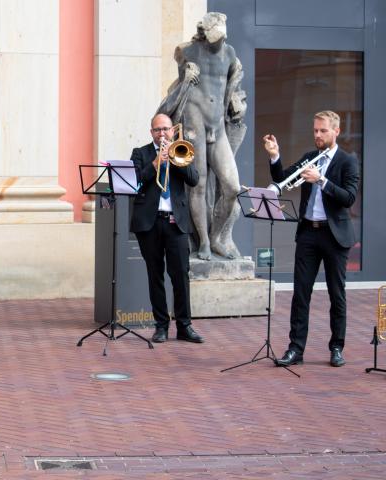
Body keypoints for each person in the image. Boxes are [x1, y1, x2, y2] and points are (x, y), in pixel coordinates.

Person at [263, 110, 360, 367]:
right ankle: (296, 349)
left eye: (323, 131)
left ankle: (337, 347)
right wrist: (274, 155)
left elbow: (349, 197)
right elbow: (281, 179)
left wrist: (322, 181)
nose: (318, 135)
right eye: (315, 130)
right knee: (300, 293)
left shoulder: (347, 161)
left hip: (334, 235)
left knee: (336, 294)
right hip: (308, 232)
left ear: (336, 131)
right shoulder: (309, 157)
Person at [158, 12, 247, 261]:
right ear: (205, 31)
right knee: (196, 185)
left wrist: (236, 103)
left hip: (217, 126)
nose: (219, 38)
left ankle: (217, 237)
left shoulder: (230, 54)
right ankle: (203, 242)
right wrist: (186, 74)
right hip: (194, 121)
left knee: (231, 186)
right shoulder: (186, 50)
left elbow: (234, 88)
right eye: (215, 32)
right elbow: (178, 86)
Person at [130, 113, 203, 344]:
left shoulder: (182, 149)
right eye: (157, 130)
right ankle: (161, 326)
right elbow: (135, 182)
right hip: (149, 223)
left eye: (166, 129)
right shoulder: (140, 153)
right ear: (151, 132)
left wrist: (173, 157)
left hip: (176, 222)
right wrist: (155, 163)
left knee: (180, 276)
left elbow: (193, 179)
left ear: (173, 131)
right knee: (155, 276)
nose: (162, 133)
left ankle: (185, 326)